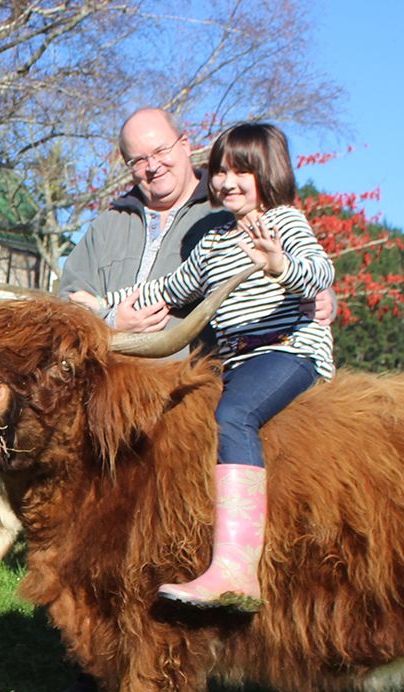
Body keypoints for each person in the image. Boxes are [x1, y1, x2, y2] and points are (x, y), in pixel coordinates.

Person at [115, 122, 334, 612]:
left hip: (287, 350)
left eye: (242, 171)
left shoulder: (285, 223)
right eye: (219, 171)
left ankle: (237, 570)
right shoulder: (213, 241)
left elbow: (320, 272)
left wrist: (280, 267)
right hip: (234, 362)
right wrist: (101, 313)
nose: (227, 182)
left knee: (233, 415)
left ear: (269, 174)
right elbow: (167, 291)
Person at [60, 108, 232, 357]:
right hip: (109, 385)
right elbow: (68, 307)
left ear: (185, 145)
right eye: (139, 160)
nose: (153, 166)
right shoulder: (107, 225)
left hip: (195, 384)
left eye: (161, 151)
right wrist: (111, 324)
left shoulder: (227, 213)